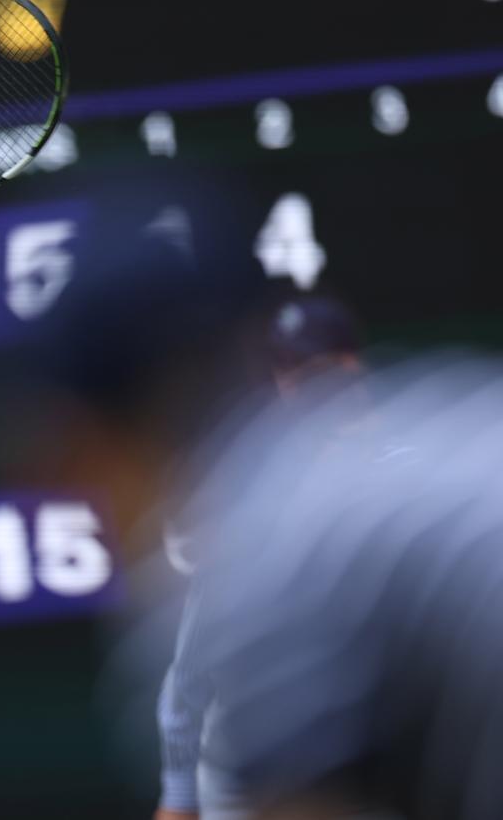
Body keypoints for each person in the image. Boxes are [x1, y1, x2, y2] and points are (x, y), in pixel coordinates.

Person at [153, 294, 365, 820]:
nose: (305, 385)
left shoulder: (417, 478)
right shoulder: (242, 497)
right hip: (262, 785)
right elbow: (189, 676)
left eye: (320, 365)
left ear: (354, 368)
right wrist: (179, 798)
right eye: (290, 370)